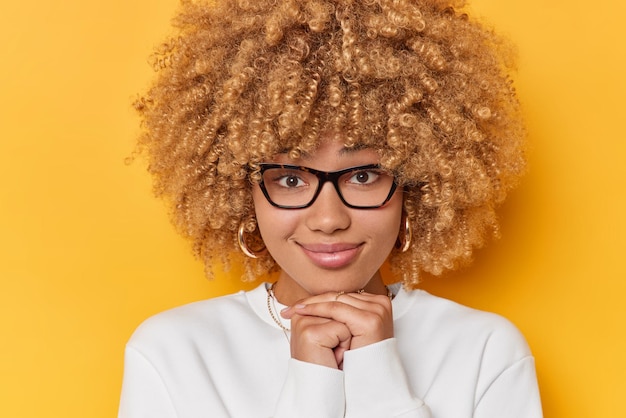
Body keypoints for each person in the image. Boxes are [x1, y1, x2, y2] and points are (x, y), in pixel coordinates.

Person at [119, 0, 542, 416]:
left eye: (363, 176)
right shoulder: (172, 353)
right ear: (240, 191)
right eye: (289, 179)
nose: (328, 219)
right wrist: (311, 385)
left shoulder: (484, 350)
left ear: (414, 183)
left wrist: (378, 374)